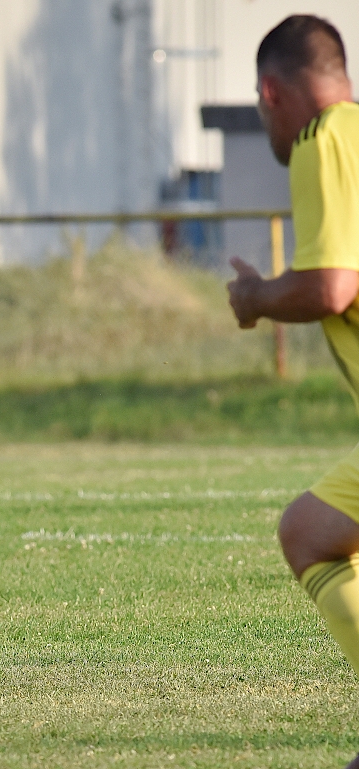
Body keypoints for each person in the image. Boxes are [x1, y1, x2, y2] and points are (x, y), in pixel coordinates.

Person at [225, 15, 359, 765]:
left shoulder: (324, 137)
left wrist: (258, 299)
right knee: (317, 530)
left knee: (310, 534)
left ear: (271, 92)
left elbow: (333, 285)